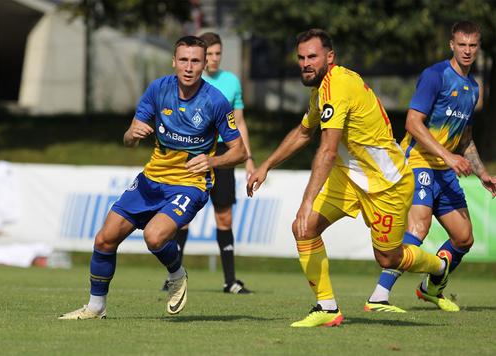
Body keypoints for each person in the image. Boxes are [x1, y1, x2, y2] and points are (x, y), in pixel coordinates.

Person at [247, 28, 452, 328]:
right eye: (301, 57)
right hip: (348, 177)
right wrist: (266, 165)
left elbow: (328, 150)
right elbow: (305, 131)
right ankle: (327, 308)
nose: (305, 63)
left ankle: (438, 267)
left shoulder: (337, 86)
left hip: (387, 184)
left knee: (389, 258)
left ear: (330, 57)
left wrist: (307, 201)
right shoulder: (322, 89)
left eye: (312, 56)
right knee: (303, 229)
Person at [58, 35, 247, 320]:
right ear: (174, 61)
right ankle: (96, 308)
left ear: (204, 64)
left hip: (189, 184)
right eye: (183, 59)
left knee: (154, 237)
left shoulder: (215, 101)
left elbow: (240, 152)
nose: (188, 66)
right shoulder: (158, 89)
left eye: (195, 61)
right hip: (151, 179)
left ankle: (177, 275)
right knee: (104, 239)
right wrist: (130, 136)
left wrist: (212, 160)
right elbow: (129, 136)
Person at [365, 21, 496, 313]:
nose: (467, 51)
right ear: (452, 44)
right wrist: (448, 157)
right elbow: (413, 122)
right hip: (417, 161)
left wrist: (483, 173)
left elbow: (465, 140)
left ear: (478, 47)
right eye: (461, 45)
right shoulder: (435, 75)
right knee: (418, 227)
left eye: (472, 45)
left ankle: (431, 288)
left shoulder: (473, 88)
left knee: (464, 238)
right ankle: (378, 296)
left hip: (445, 170)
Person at [163, 32, 255, 294]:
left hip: (223, 155)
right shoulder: (188, 80)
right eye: (210, 54)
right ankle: (174, 274)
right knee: (181, 219)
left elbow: (239, 122)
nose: (213, 59)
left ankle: (230, 281)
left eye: (217, 54)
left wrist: (248, 157)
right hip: (193, 153)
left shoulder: (231, 82)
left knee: (224, 217)